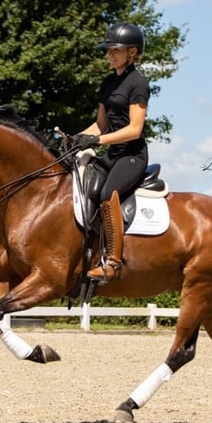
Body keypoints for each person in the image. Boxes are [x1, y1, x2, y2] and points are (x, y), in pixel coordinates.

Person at [72, 22, 150, 282]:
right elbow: (100, 123)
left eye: (115, 50)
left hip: (132, 155)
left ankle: (113, 263)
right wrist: (78, 138)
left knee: (107, 194)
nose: (109, 54)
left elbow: (134, 129)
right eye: (108, 50)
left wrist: (97, 139)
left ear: (132, 52)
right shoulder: (108, 82)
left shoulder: (138, 83)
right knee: (82, 185)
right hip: (112, 155)